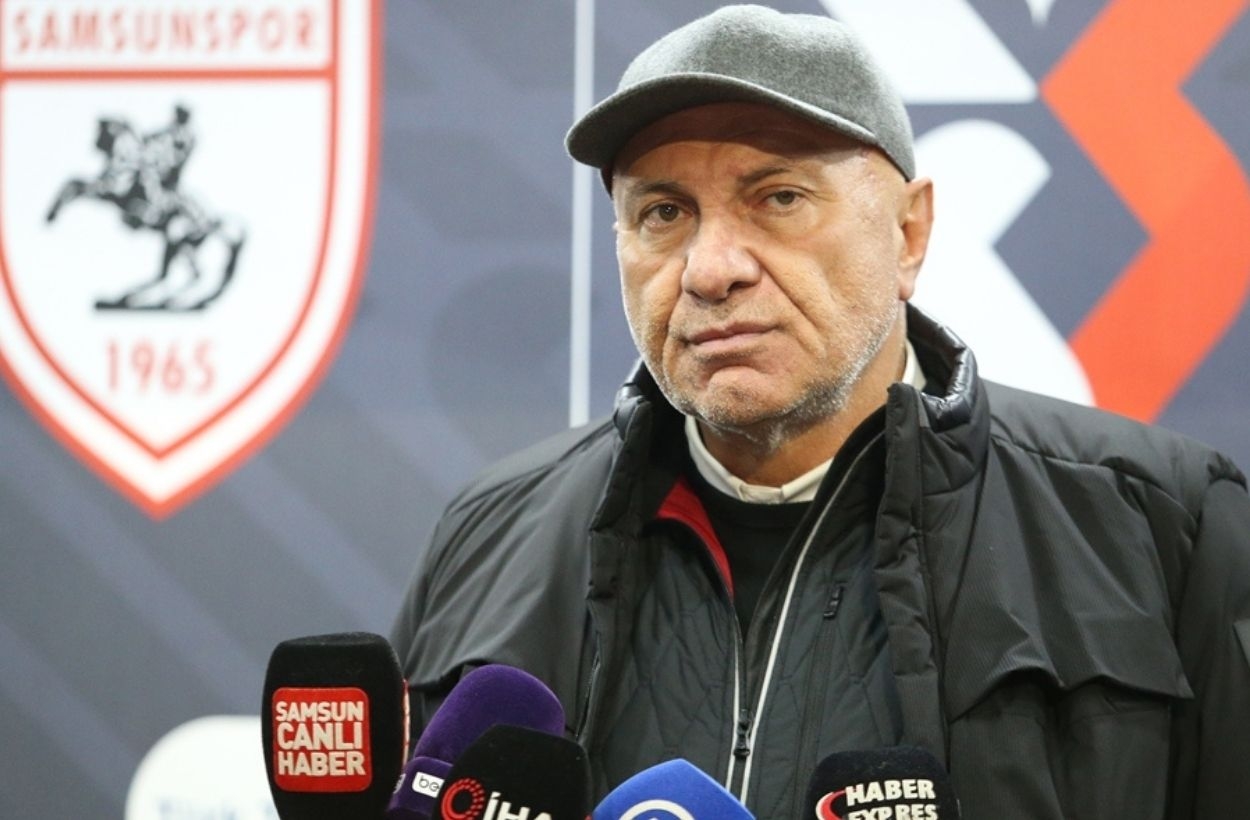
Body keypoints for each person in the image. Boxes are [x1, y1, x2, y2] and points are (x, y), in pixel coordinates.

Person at [391, 6, 1250, 818]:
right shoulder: (488, 534)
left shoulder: (1160, 522)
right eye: (663, 212)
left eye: (779, 198)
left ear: (909, 234)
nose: (711, 269)